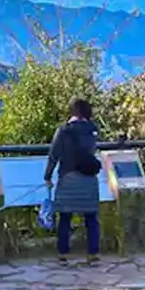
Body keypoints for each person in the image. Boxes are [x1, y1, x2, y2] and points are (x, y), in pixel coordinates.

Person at [45, 99, 102, 263]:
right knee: (91, 217)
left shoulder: (63, 130)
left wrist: (47, 176)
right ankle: (93, 252)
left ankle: (63, 252)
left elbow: (53, 155)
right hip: (89, 179)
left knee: (65, 217)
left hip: (68, 178)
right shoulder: (93, 129)